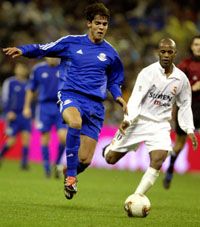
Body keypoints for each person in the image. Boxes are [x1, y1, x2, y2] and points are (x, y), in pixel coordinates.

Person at [3, 2, 127, 199]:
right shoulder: (71, 42)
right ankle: (70, 177)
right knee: (75, 122)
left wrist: (119, 97)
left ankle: (67, 172)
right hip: (70, 95)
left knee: (85, 160)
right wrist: (23, 50)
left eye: (105, 24)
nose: (102, 27)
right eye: (98, 23)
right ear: (89, 24)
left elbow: (114, 81)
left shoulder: (111, 54)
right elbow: (43, 49)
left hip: (95, 106)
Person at [102, 38, 198, 199]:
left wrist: (189, 129)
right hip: (139, 121)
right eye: (163, 51)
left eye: (169, 52)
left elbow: (185, 105)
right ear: (158, 53)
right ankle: (107, 149)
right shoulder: (148, 73)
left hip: (160, 125)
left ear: (175, 54)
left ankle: (137, 196)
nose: (166, 55)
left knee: (159, 159)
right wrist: (128, 119)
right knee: (110, 159)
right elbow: (136, 98)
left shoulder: (181, 79)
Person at [163, 35, 200, 189]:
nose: (198, 47)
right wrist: (192, 87)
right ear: (191, 46)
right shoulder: (185, 65)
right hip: (187, 109)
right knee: (179, 144)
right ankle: (170, 166)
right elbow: (175, 89)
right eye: (196, 44)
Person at [23, 57, 67, 178]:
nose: (52, 58)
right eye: (50, 55)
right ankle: (47, 167)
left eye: (55, 55)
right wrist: (26, 107)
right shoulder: (38, 69)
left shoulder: (64, 67)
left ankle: (57, 162)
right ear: (46, 56)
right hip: (44, 107)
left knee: (63, 137)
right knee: (45, 137)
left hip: (60, 106)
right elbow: (30, 89)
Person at [0, 62, 31, 169]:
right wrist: (8, 111)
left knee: (26, 139)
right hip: (14, 115)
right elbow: (4, 98)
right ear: (15, 69)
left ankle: (24, 163)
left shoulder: (29, 84)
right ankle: (1, 156)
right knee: (11, 141)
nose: (20, 70)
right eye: (19, 68)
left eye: (22, 68)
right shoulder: (10, 82)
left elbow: (32, 100)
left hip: (25, 115)